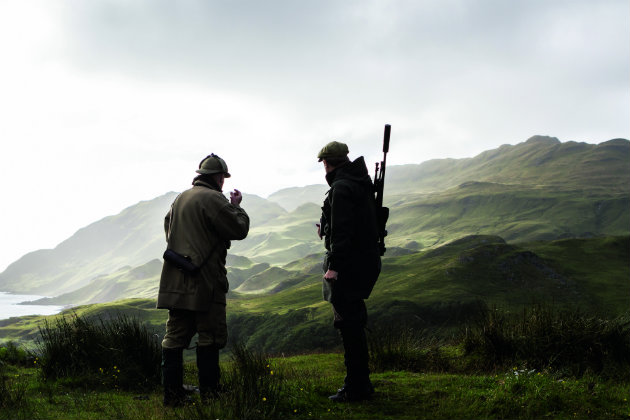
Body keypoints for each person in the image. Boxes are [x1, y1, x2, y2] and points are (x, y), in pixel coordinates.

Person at [157, 153, 250, 406]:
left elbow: (168, 228)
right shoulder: (214, 199)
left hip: (177, 280)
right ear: (219, 177)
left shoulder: (179, 199)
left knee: (174, 337)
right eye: (224, 177)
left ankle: (172, 395)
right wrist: (237, 206)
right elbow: (239, 228)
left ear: (200, 175)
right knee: (210, 336)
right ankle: (210, 393)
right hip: (206, 283)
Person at [316, 141, 381, 402]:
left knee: (349, 326)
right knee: (354, 323)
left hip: (349, 267)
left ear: (327, 163)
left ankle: (356, 388)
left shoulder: (342, 188)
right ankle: (360, 383)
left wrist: (334, 267)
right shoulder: (358, 183)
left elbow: (343, 233)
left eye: (323, 164)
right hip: (363, 263)